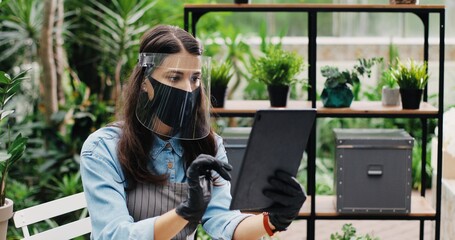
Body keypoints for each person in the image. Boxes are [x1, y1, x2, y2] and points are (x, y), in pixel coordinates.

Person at [80, 24, 306, 240]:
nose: (188, 89)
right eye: (174, 77)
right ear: (145, 83)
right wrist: (185, 211)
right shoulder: (104, 148)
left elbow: (223, 220)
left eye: (195, 78)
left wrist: (274, 220)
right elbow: (112, 235)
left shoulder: (207, 146)